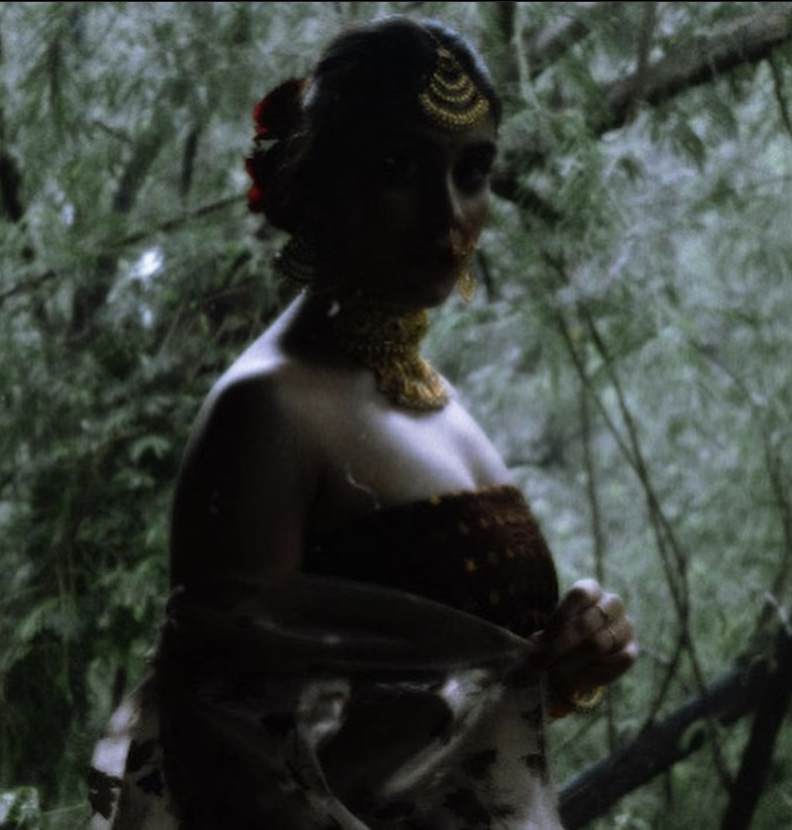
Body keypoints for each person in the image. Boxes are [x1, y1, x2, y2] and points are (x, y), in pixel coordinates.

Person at [88, 16, 637, 830]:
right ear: (320, 182)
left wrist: (563, 663)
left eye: (472, 171)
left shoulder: (436, 398)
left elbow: (432, 717)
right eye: (397, 168)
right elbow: (225, 776)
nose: (447, 214)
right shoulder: (266, 409)